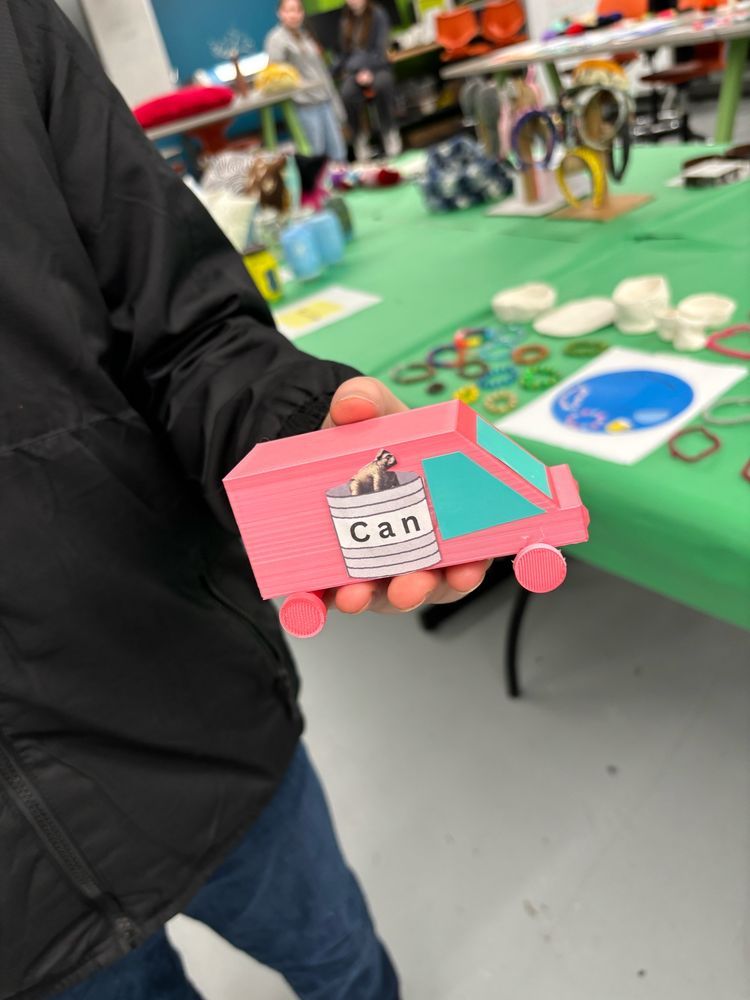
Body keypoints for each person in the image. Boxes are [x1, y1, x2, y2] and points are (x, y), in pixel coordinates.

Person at [1, 2, 489, 999]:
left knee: (342, 962)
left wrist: (297, 431)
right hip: (18, 911)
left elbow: (186, 329)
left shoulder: (14, 32)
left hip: (186, 710)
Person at [265, 0, 348, 162]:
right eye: (289, 11)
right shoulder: (276, 39)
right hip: (304, 105)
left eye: (297, 10)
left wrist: (336, 105)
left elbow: (322, 73)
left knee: (338, 151)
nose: (294, 15)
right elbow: (276, 75)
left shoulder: (305, 36)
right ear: (280, 13)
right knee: (316, 155)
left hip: (324, 99)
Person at [336, 0, 402, 161]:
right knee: (346, 93)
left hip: (378, 67)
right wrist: (337, 69)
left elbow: (381, 49)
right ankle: (359, 138)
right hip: (355, 72)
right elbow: (345, 54)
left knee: (382, 84)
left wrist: (368, 70)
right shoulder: (345, 20)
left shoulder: (378, 15)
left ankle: (389, 132)